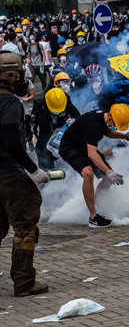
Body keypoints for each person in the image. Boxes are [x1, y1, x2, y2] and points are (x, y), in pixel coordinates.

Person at [0, 52, 50, 297]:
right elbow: (11, 141)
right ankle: (24, 282)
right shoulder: (9, 102)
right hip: (10, 177)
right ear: (10, 76)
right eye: (19, 74)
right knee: (25, 229)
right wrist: (34, 170)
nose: (22, 79)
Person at [58, 103, 129, 228]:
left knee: (108, 179)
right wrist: (109, 171)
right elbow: (92, 154)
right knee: (88, 174)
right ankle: (93, 218)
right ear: (110, 117)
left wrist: (124, 136)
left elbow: (107, 132)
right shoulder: (93, 123)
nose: (116, 127)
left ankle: (94, 205)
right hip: (69, 148)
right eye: (115, 124)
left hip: (83, 145)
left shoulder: (106, 116)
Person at [32, 88, 80, 170]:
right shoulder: (40, 110)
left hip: (65, 136)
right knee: (44, 157)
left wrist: (74, 122)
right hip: (46, 138)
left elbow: (79, 120)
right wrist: (53, 151)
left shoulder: (67, 105)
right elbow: (43, 134)